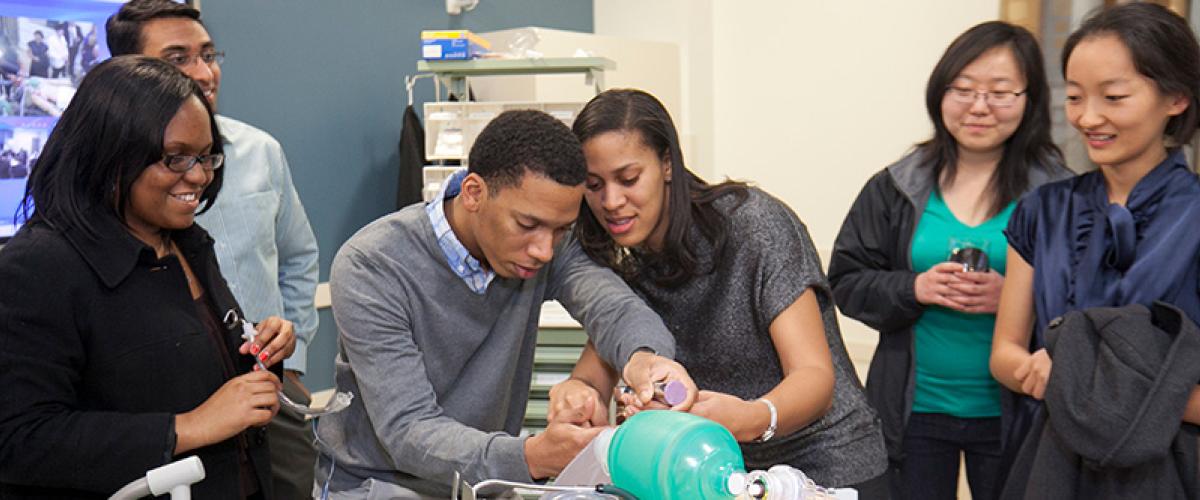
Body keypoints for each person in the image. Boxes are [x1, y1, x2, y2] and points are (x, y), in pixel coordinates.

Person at [315, 109, 698, 499]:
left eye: (561, 229)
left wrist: (645, 360)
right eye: (527, 225)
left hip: (484, 482)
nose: (544, 250)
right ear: (474, 193)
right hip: (380, 483)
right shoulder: (373, 266)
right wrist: (534, 456)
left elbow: (615, 308)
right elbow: (408, 430)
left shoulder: (548, 246)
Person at [548, 89, 888, 497]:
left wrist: (749, 418)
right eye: (594, 185)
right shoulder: (620, 258)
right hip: (716, 472)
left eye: (629, 179)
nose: (612, 202)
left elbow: (814, 378)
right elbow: (601, 364)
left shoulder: (752, 227)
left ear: (668, 164)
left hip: (824, 466)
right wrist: (578, 394)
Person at [0, 55, 296, 499]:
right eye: (175, 159)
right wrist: (186, 428)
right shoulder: (40, 266)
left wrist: (262, 348)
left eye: (206, 157)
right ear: (109, 153)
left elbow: (184, 370)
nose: (197, 176)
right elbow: (19, 439)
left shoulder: (186, 241)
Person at [827, 21, 1069, 500]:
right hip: (913, 410)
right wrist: (913, 288)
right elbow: (846, 279)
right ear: (940, 93)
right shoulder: (896, 185)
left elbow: (1090, 305)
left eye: (1000, 92)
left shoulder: (1058, 195)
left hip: (1016, 411)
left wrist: (1017, 297)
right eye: (963, 89)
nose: (979, 107)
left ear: (1029, 100)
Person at [107, 2, 321, 497]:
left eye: (208, 55)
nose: (203, 73)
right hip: (169, 401)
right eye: (178, 58)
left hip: (265, 386)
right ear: (128, 72)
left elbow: (298, 256)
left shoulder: (260, 151)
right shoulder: (104, 175)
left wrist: (294, 361)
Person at [990, 2, 1200, 491]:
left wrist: (1084, 380)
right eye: (1076, 97)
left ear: (1176, 99)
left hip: (1171, 468)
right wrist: (1038, 372)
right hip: (1050, 461)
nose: (1088, 117)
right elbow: (1004, 352)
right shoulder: (1042, 209)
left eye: (1114, 96)